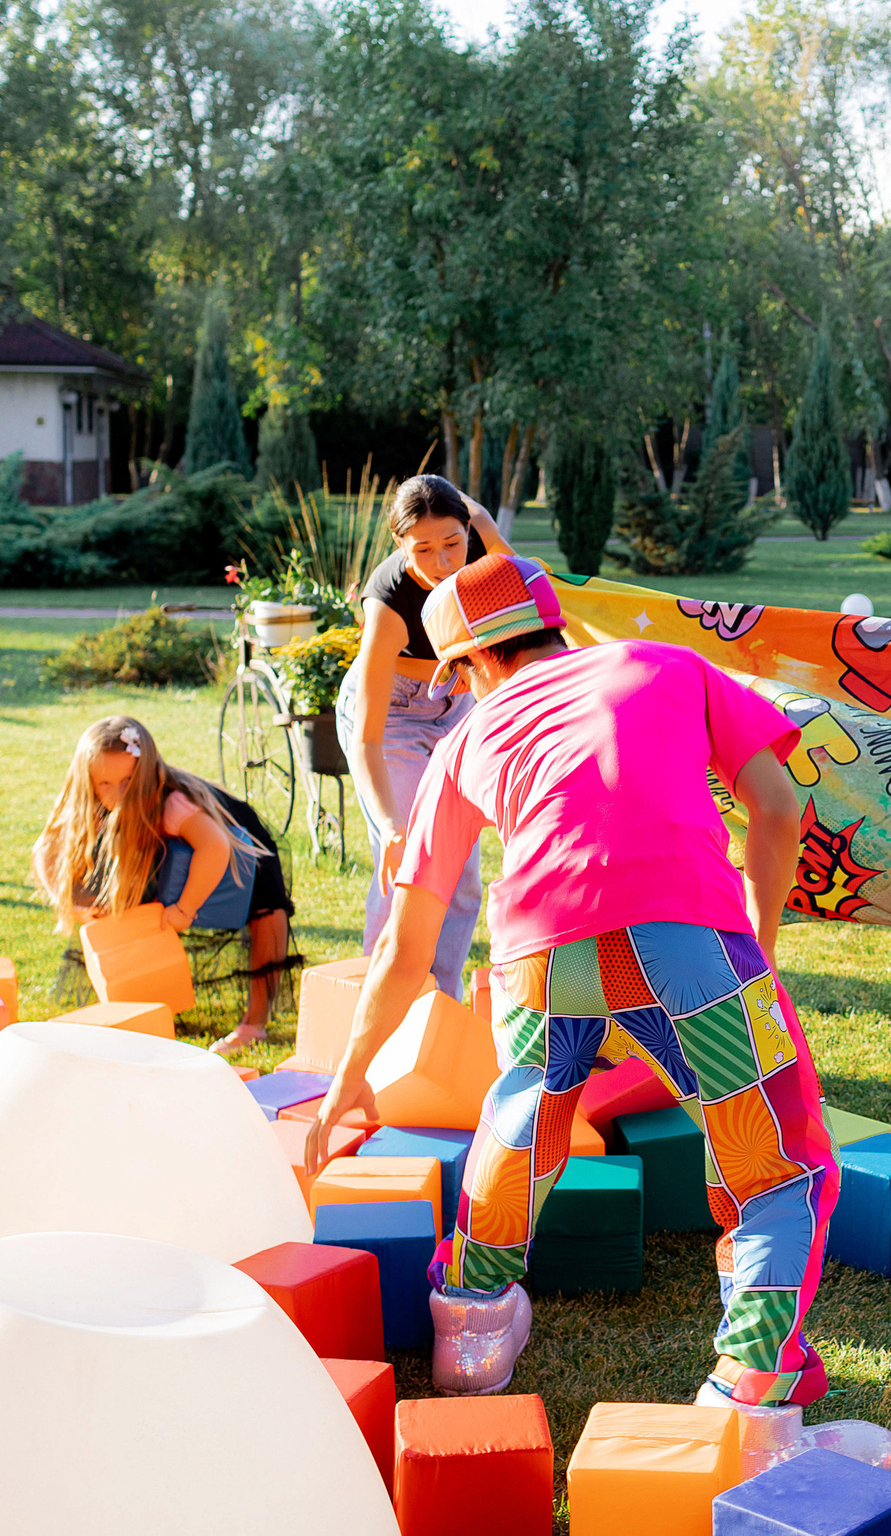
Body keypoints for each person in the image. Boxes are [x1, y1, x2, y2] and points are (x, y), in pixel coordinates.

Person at [306, 555, 837, 1404]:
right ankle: (749, 1382)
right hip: (687, 938)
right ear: (553, 623)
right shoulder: (667, 663)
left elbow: (407, 949)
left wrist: (348, 1077)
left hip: (540, 957)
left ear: (470, 666)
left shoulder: (463, 740)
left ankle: (471, 1319)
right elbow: (776, 806)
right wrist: (757, 946)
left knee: (527, 1109)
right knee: (781, 1160)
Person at [336, 474, 511, 1001]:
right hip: (392, 714)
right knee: (411, 861)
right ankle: (383, 1008)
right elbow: (366, 739)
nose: (442, 563)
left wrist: (479, 523)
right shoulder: (387, 605)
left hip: (458, 698)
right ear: (400, 546)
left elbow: (532, 592)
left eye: (452, 544)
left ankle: (440, 1008)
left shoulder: (479, 538)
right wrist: (389, 827)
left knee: (459, 871)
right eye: (423, 550)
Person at [31, 715, 295, 1056]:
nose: (116, 794)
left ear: (146, 773)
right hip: (167, 851)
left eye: (128, 781)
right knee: (131, 915)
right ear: (88, 781)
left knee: (265, 911)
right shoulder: (90, 801)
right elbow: (47, 847)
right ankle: (138, 1011)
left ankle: (253, 1024)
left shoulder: (172, 802)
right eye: (104, 784)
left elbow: (214, 847)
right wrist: (71, 904)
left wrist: (185, 909)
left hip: (235, 846)